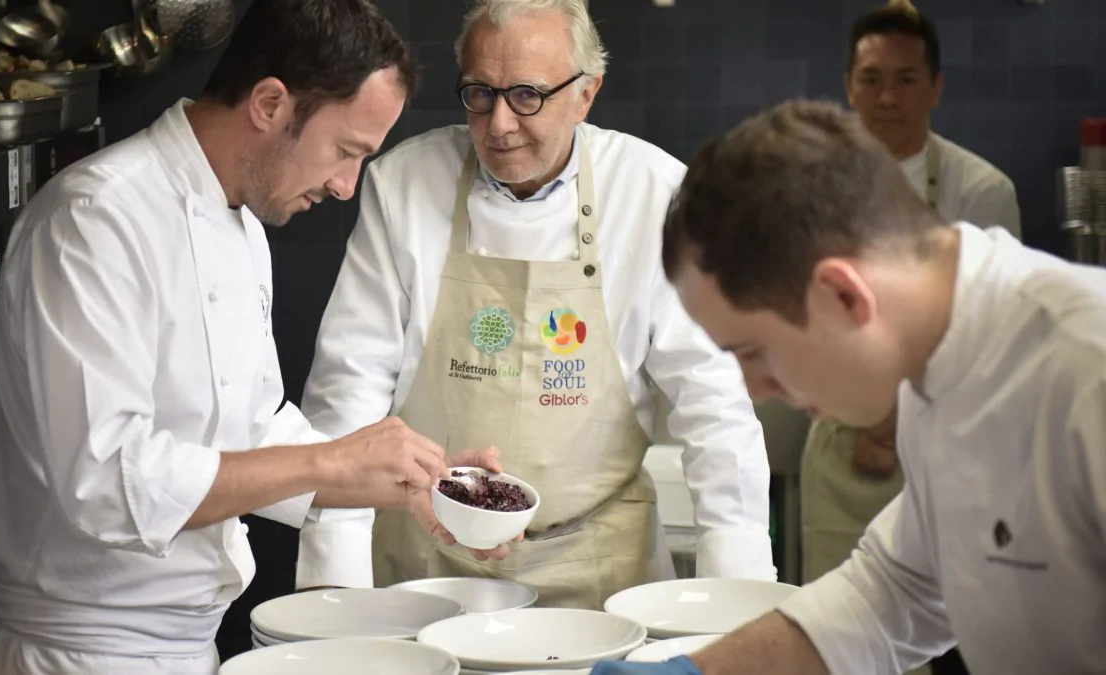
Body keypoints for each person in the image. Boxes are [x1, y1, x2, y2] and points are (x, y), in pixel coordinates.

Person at [0, 2, 504, 674]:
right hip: (72, 653)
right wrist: (328, 464)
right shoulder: (96, 220)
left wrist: (411, 481)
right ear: (270, 103)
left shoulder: (242, 224)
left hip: (188, 648)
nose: (344, 184)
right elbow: (104, 477)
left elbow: (249, 433)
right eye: (345, 151)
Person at [590, 99, 1106, 674]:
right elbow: (893, 592)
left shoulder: (1089, 371)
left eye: (754, 353)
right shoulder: (930, 367)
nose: (755, 391)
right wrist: (703, 672)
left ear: (843, 295)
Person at [294, 0, 776, 609]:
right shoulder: (404, 185)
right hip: (426, 569)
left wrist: (739, 601)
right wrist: (333, 594)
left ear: (587, 94)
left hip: (602, 577)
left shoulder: (655, 195)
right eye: (479, 93)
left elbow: (715, 408)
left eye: (527, 95)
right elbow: (349, 390)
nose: (498, 124)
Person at [801, 7, 1020, 672]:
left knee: (943, 633)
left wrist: (897, 419)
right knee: (836, 630)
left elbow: (984, 330)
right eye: (872, 79)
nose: (888, 96)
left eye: (905, 78)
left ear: (936, 87)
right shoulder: (812, 189)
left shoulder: (981, 191)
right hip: (839, 446)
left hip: (946, 447)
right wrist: (862, 420)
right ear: (848, 84)